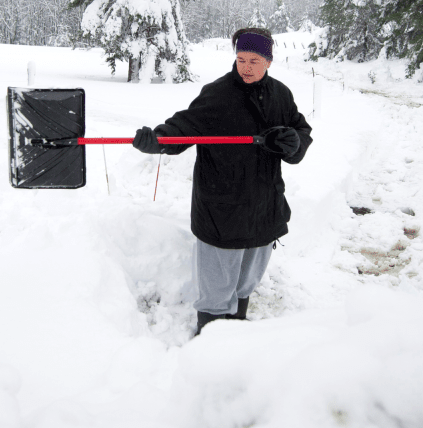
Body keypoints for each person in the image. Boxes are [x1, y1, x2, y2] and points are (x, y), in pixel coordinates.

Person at [132, 27, 313, 336]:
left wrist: (294, 142)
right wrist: (158, 141)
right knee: (216, 287)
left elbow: (301, 132)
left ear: (269, 61)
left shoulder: (280, 95)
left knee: (246, 281)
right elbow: (183, 128)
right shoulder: (218, 94)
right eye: (241, 59)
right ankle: (209, 340)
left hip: (264, 208)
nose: (246, 67)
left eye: (255, 60)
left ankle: (236, 333)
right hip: (222, 209)